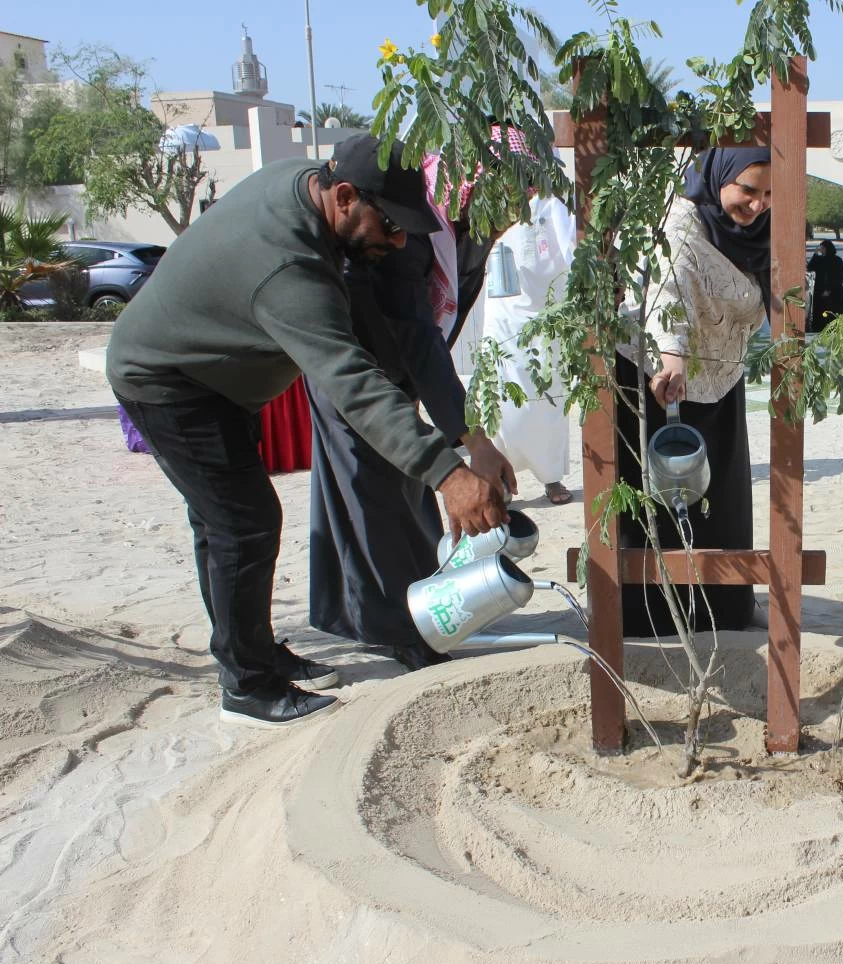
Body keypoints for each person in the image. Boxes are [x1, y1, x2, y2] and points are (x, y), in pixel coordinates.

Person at [107, 133, 513, 728]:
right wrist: (447, 473)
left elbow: (407, 340)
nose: (398, 241)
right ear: (345, 196)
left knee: (222, 524)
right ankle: (246, 687)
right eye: (390, 226)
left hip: (210, 379)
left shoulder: (310, 186)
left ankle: (249, 652)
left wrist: (466, 437)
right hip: (170, 383)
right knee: (244, 524)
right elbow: (352, 383)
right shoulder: (290, 268)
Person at [305, 144, 517, 674]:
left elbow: (433, 328)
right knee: (370, 492)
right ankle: (396, 630)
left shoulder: (460, 228)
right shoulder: (412, 233)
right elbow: (418, 336)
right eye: (506, 194)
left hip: (398, 369)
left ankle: (412, 612)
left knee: (408, 492)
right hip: (356, 373)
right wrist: (472, 440)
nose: (514, 211)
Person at [615, 147, 772, 636]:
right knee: (661, 495)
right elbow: (669, 289)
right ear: (719, 177)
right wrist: (673, 362)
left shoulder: (759, 233)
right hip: (660, 379)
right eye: (747, 190)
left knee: (721, 497)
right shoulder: (681, 222)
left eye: (768, 193)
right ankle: (652, 615)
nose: (757, 205)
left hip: (721, 374)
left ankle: (724, 610)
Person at [486, 191, 577, 504]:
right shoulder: (494, 196)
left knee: (550, 391)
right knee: (503, 392)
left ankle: (551, 476)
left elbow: (568, 246)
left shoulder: (554, 199)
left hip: (549, 305)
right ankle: (500, 475)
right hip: (507, 309)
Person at [805, 239, 843, 333]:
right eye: (820, 247)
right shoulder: (819, 259)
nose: (821, 249)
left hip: (834, 291)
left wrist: (829, 290)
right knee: (820, 310)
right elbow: (809, 267)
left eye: (822, 248)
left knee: (833, 311)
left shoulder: (837, 260)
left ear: (828, 248)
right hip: (820, 290)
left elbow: (839, 277)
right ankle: (819, 328)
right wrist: (815, 254)